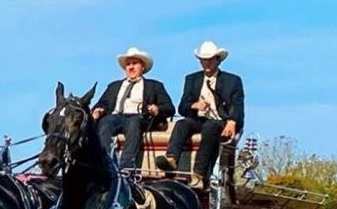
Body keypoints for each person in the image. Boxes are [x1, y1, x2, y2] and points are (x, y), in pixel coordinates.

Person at [156, 40, 245, 189]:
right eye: (203, 60)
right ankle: (171, 159)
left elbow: (237, 105)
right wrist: (194, 105)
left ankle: (199, 174)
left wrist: (232, 121)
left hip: (219, 120)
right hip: (198, 119)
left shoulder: (232, 81)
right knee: (181, 123)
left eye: (210, 60)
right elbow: (182, 108)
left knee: (210, 127)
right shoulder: (192, 79)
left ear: (218, 60)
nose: (207, 64)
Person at [91, 47, 175, 171]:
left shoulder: (154, 86)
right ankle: (107, 162)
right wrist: (98, 110)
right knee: (105, 123)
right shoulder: (114, 86)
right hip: (116, 117)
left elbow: (169, 108)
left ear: (143, 67)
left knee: (134, 123)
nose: (130, 67)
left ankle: (126, 166)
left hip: (140, 117)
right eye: (128, 64)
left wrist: (157, 109)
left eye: (134, 64)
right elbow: (101, 104)